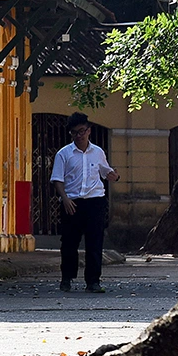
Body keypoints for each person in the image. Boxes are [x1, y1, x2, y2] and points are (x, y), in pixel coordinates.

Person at [51, 111, 119, 293]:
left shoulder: (98, 152)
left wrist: (113, 175)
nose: (79, 136)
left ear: (89, 131)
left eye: (82, 131)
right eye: (75, 133)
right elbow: (57, 180)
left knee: (95, 243)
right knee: (69, 243)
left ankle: (93, 281)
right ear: (71, 134)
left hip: (95, 202)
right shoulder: (64, 154)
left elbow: (106, 171)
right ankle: (67, 278)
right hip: (72, 203)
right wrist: (64, 199)